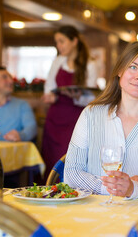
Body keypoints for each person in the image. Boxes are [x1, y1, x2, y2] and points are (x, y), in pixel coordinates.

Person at [63, 42, 138, 199]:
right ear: (120, 71)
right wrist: (122, 187)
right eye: (133, 67)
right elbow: (72, 173)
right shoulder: (90, 114)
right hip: (90, 213)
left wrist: (131, 188)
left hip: (135, 215)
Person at [41, 25, 98, 181]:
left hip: (77, 119)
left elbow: (92, 97)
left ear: (74, 41)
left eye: (62, 41)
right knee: (51, 159)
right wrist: (50, 96)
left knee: (72, 158)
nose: (59, 46)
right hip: (55, 118)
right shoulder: (58, 61)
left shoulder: (90, 64)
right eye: (57, 42)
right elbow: (49, 87)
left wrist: (77, 96)